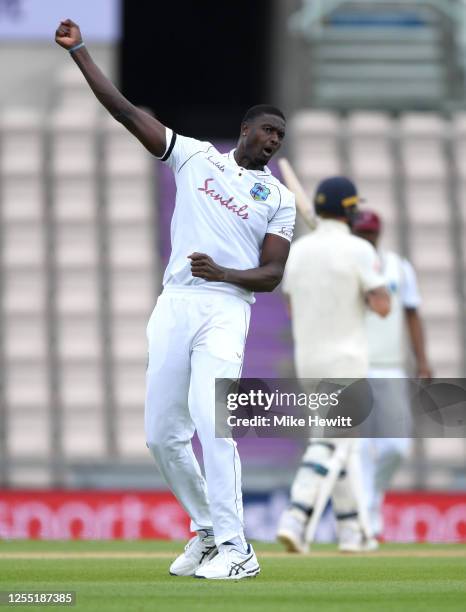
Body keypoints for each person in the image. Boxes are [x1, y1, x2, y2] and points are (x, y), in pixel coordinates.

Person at [55, 19, 296, 580]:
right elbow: (122, 110)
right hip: (175, 303)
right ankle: (208, 531)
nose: (273, 141)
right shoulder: (194, 156)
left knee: (213, 424)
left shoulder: (278, 197)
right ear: (245, 129)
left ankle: (240, 552)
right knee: (161, 435)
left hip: (226, 308)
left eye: (280, 138)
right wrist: (81, 52)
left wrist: (224, 272)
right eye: (267, 131)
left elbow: (272, 276)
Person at [276, 176, 390, 553]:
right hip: (346, 359)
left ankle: (351, 532)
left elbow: (291, 309)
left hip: (308, 359)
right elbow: (383, 306)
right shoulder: (359, 249)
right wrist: (368, 286)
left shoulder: (298, 251)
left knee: (343, 445)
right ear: (350, 210)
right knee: (331, 440)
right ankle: (296, 513)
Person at [352, 210, 432, 536]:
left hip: (391, 366)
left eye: (371, 233)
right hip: (354, 366)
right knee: (358, 449)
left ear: (379, 233)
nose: (367, 239)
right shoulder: (347, 267)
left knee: (396, 447)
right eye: (361, 233)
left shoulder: (399, 267)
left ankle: (371, 498)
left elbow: (412, 314)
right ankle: (362, 515)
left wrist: (422, 360)